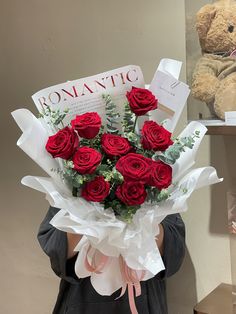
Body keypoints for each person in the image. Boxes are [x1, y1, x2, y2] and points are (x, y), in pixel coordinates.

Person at [38, 206, 185, 314]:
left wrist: (143, 208)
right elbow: (57, 251)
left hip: (142, 299)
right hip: (81, 299)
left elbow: (172, 252)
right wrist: (83, 204)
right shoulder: (73, 181)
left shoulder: (158, 183)